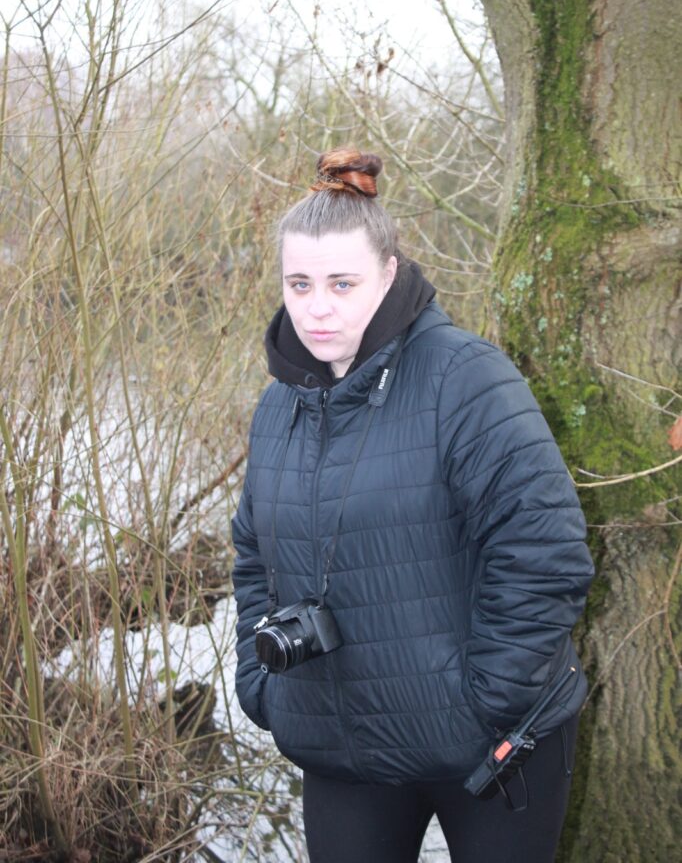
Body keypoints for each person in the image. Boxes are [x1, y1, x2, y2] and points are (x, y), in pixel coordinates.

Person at [231, 148, 594, 863]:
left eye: (342, 281)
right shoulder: (279, 408)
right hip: (340, 747)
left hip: (492, 747)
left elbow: (543, 551)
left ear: (389, 274)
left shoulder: (466, 378)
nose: (317, 305)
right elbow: (252, 557)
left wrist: (484, 701)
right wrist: (262, 687)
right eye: (299, 283)